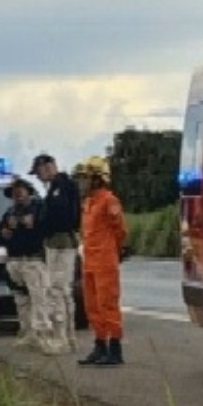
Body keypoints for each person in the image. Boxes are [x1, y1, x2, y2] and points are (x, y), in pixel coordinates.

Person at [75, 156, 129, 366]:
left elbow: (120, 230)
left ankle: (114, 348)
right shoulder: (88, 202)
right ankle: (100, 345)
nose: (82, 183)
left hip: (105, 260)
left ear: (97, 179)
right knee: (92, 306)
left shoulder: (109, 200)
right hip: (89, 260)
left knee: (108, 304)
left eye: (85, 178)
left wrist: (113, 251)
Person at [32, 153, 82, 353]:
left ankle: (61, 339)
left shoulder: (60, 187)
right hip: (63, 240)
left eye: (38, 172)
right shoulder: (61, 186)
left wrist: (41, 224)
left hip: (59, 241)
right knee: (64, 291)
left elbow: (61, 216)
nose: (38, 177)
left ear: (47, 167)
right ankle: (69, 338)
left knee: (56, 290)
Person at [0, 176, 45, 348]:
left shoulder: (39, 209)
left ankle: (42, 334)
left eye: (21, 190)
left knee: (39, 298)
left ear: (28, 191)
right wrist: (4, 233)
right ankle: (27, 333)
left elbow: (46, 230)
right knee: (21, 300)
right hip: (14, 260)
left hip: (34, 259)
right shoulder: (9, 213)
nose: (18, 194)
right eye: (14, 192)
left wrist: (31, 224)